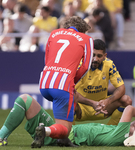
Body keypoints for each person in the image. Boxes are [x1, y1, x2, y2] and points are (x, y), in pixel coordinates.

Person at [0, 94, 135, 147]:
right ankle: (45, 131)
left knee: (25, 100)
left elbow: (131, 110)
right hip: (66, 133)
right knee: (25, 101)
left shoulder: (122, 134)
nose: (133, 123)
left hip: (65, 133)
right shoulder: (119, 135)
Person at [36, 16, 93, 148]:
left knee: (66, 112)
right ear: (82, 30)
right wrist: (73, 80)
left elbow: (47, 59)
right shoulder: (87, 39)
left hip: (45, 82)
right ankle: (46, 131)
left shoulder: (54, 33)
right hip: (62, 85)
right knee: (64, 128)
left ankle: (64, 140)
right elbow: (85, 66)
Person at [74, 39, 132, 125]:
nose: (95, 59)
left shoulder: (109, 65)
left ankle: (110, 132)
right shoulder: (80, 65)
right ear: (88, 53)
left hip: (103, 108)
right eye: (93, 55)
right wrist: (92, 103)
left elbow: (121, 88)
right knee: (66, 101)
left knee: (126, 100)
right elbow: (71, 92)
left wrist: (107, 101)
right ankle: (71, 136)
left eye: (99, 56)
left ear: (105, 56)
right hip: (81, 109)